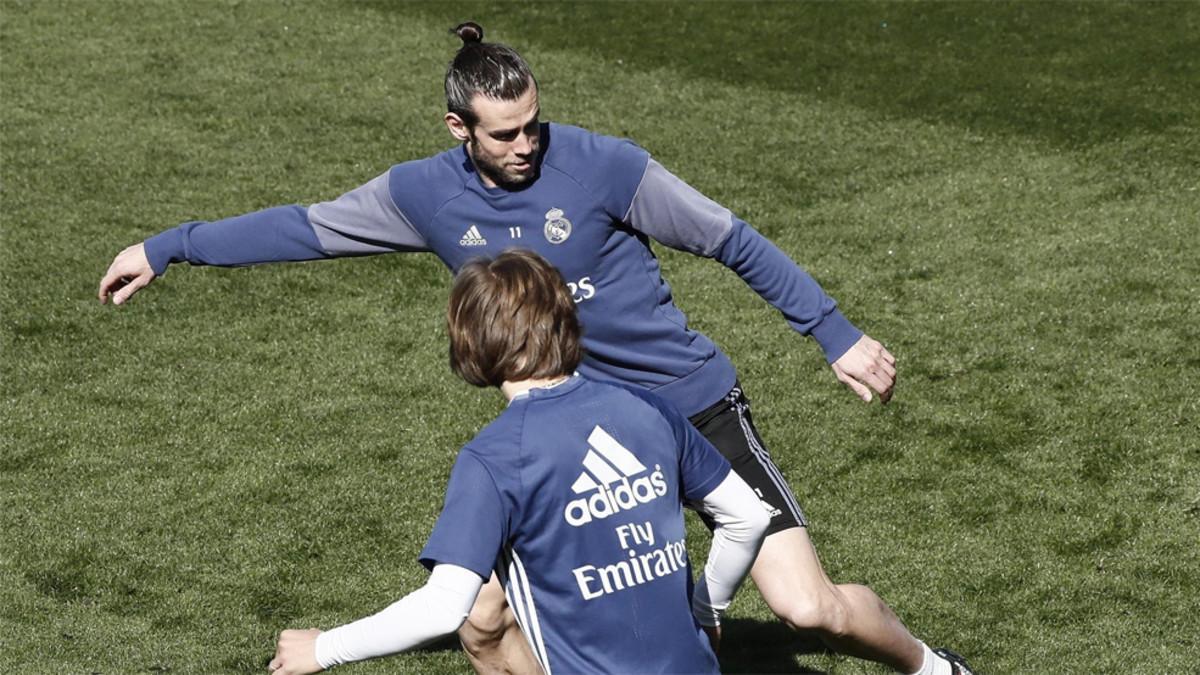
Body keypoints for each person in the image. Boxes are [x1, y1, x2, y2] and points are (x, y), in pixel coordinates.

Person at [100, 22, 974, 675]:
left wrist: (835, 333)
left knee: (806, 606)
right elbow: (306, 227)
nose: (527, 146)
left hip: (688, 404)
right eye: (505, 134)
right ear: (457, 128)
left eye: (534, 126)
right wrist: (170, 245)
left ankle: (933, 667)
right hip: (570, 432)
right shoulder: (420, 196)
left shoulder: (603, 165)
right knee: (484, 613)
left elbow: (729, 238)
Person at [267, 250, 769, 675]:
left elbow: (444, 608)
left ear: (473, 341)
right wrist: (706, 612)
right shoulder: (650, 408)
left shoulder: (495, 457)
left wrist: (322, 648)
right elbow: (747, 516)